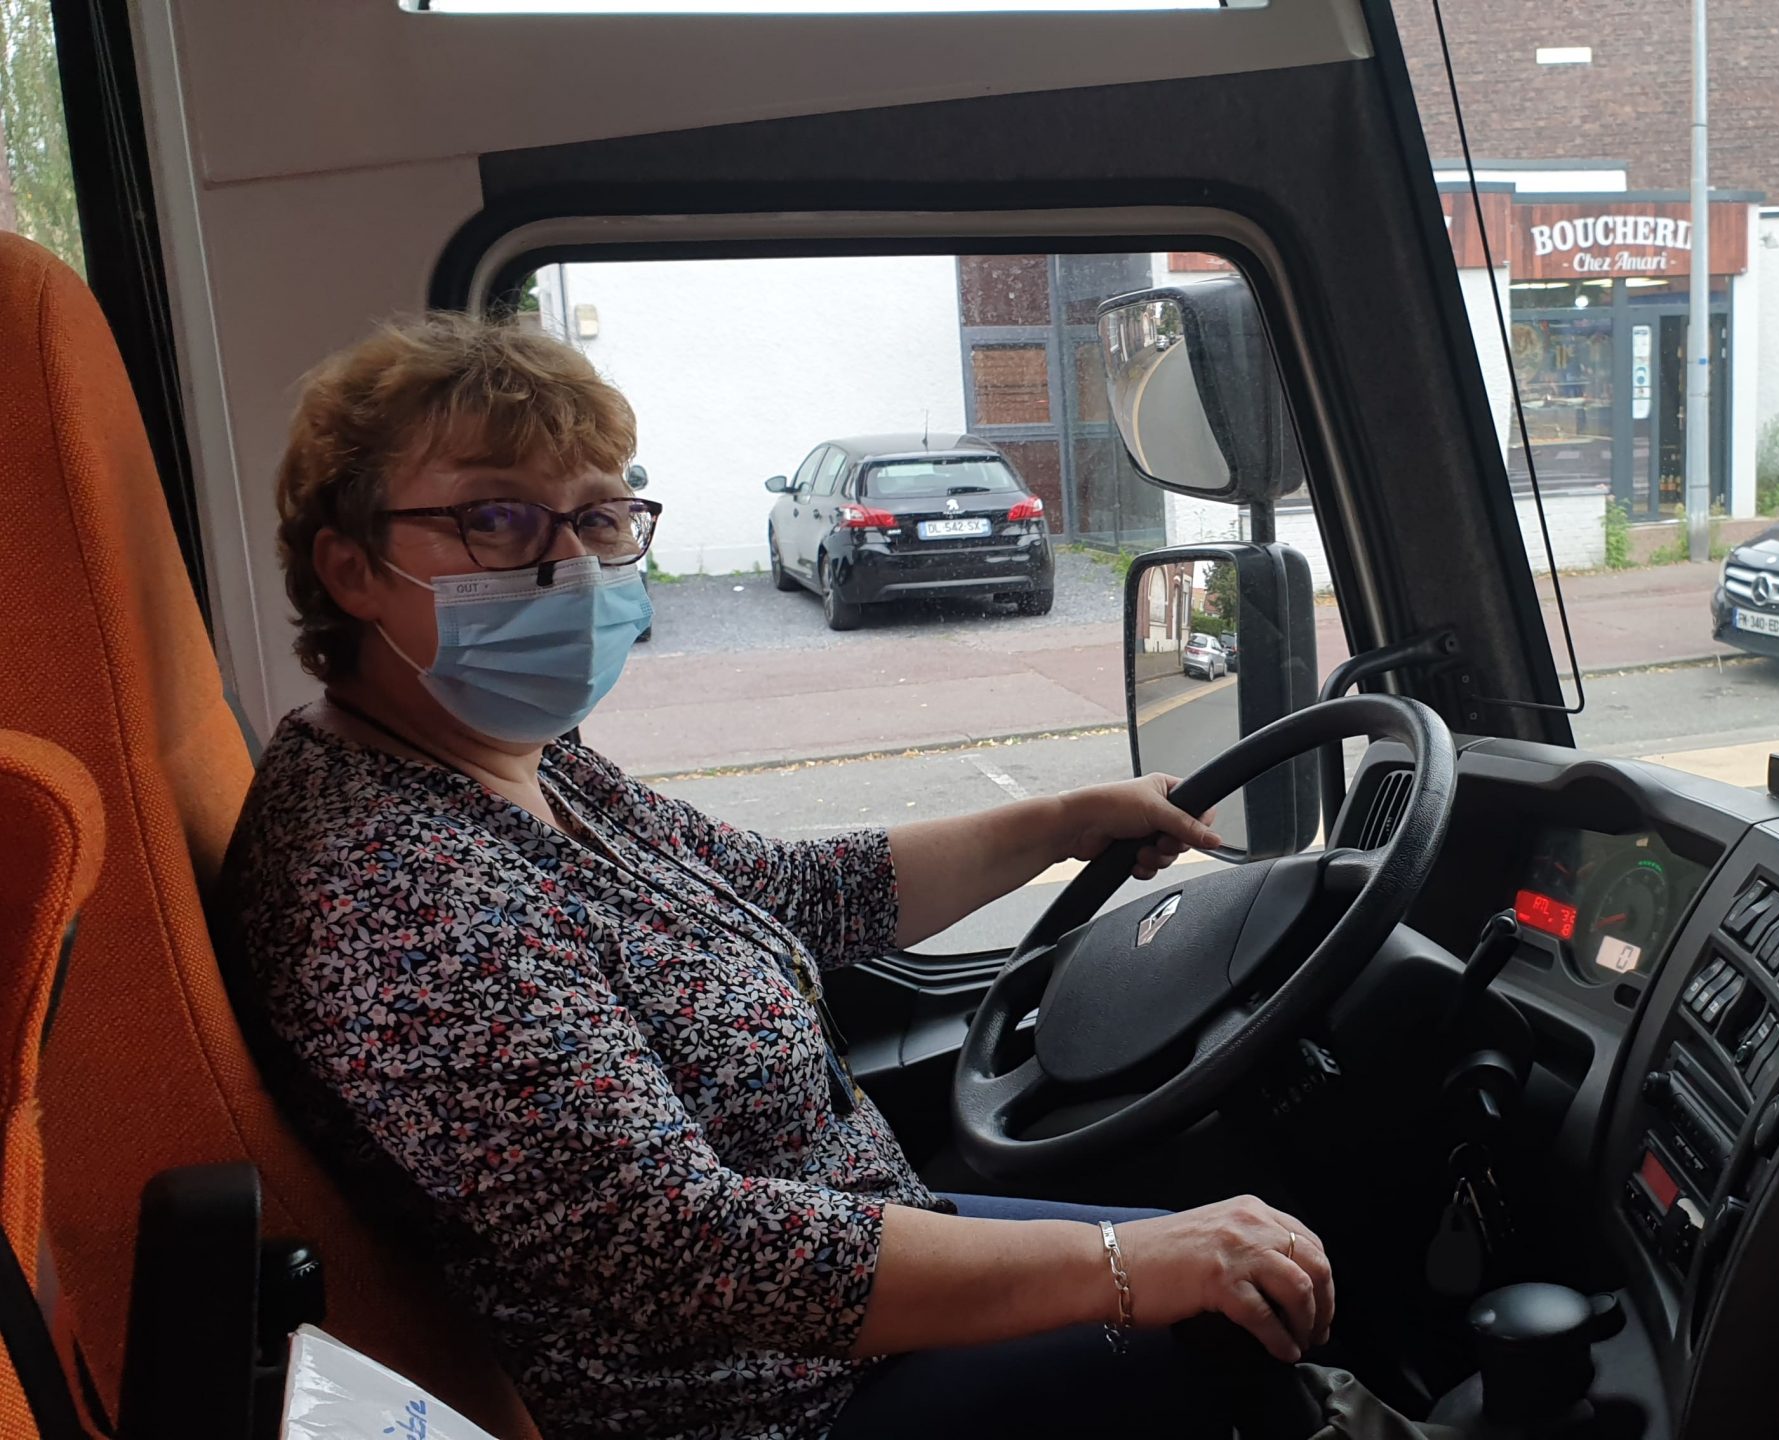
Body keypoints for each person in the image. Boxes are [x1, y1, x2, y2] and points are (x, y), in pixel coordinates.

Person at [220, 313, 1334, 1440]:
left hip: (842, 1305)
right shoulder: (392, 887)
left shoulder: (520, 760)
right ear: (351, 566)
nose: (570, 566)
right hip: (771, 1404)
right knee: (1237, 1329)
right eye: (495, 516)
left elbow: (785, 889)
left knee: (1236, 1274)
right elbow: (684, 1247)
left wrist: (1063, 821)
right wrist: (1127, 1264)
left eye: (601, 516)